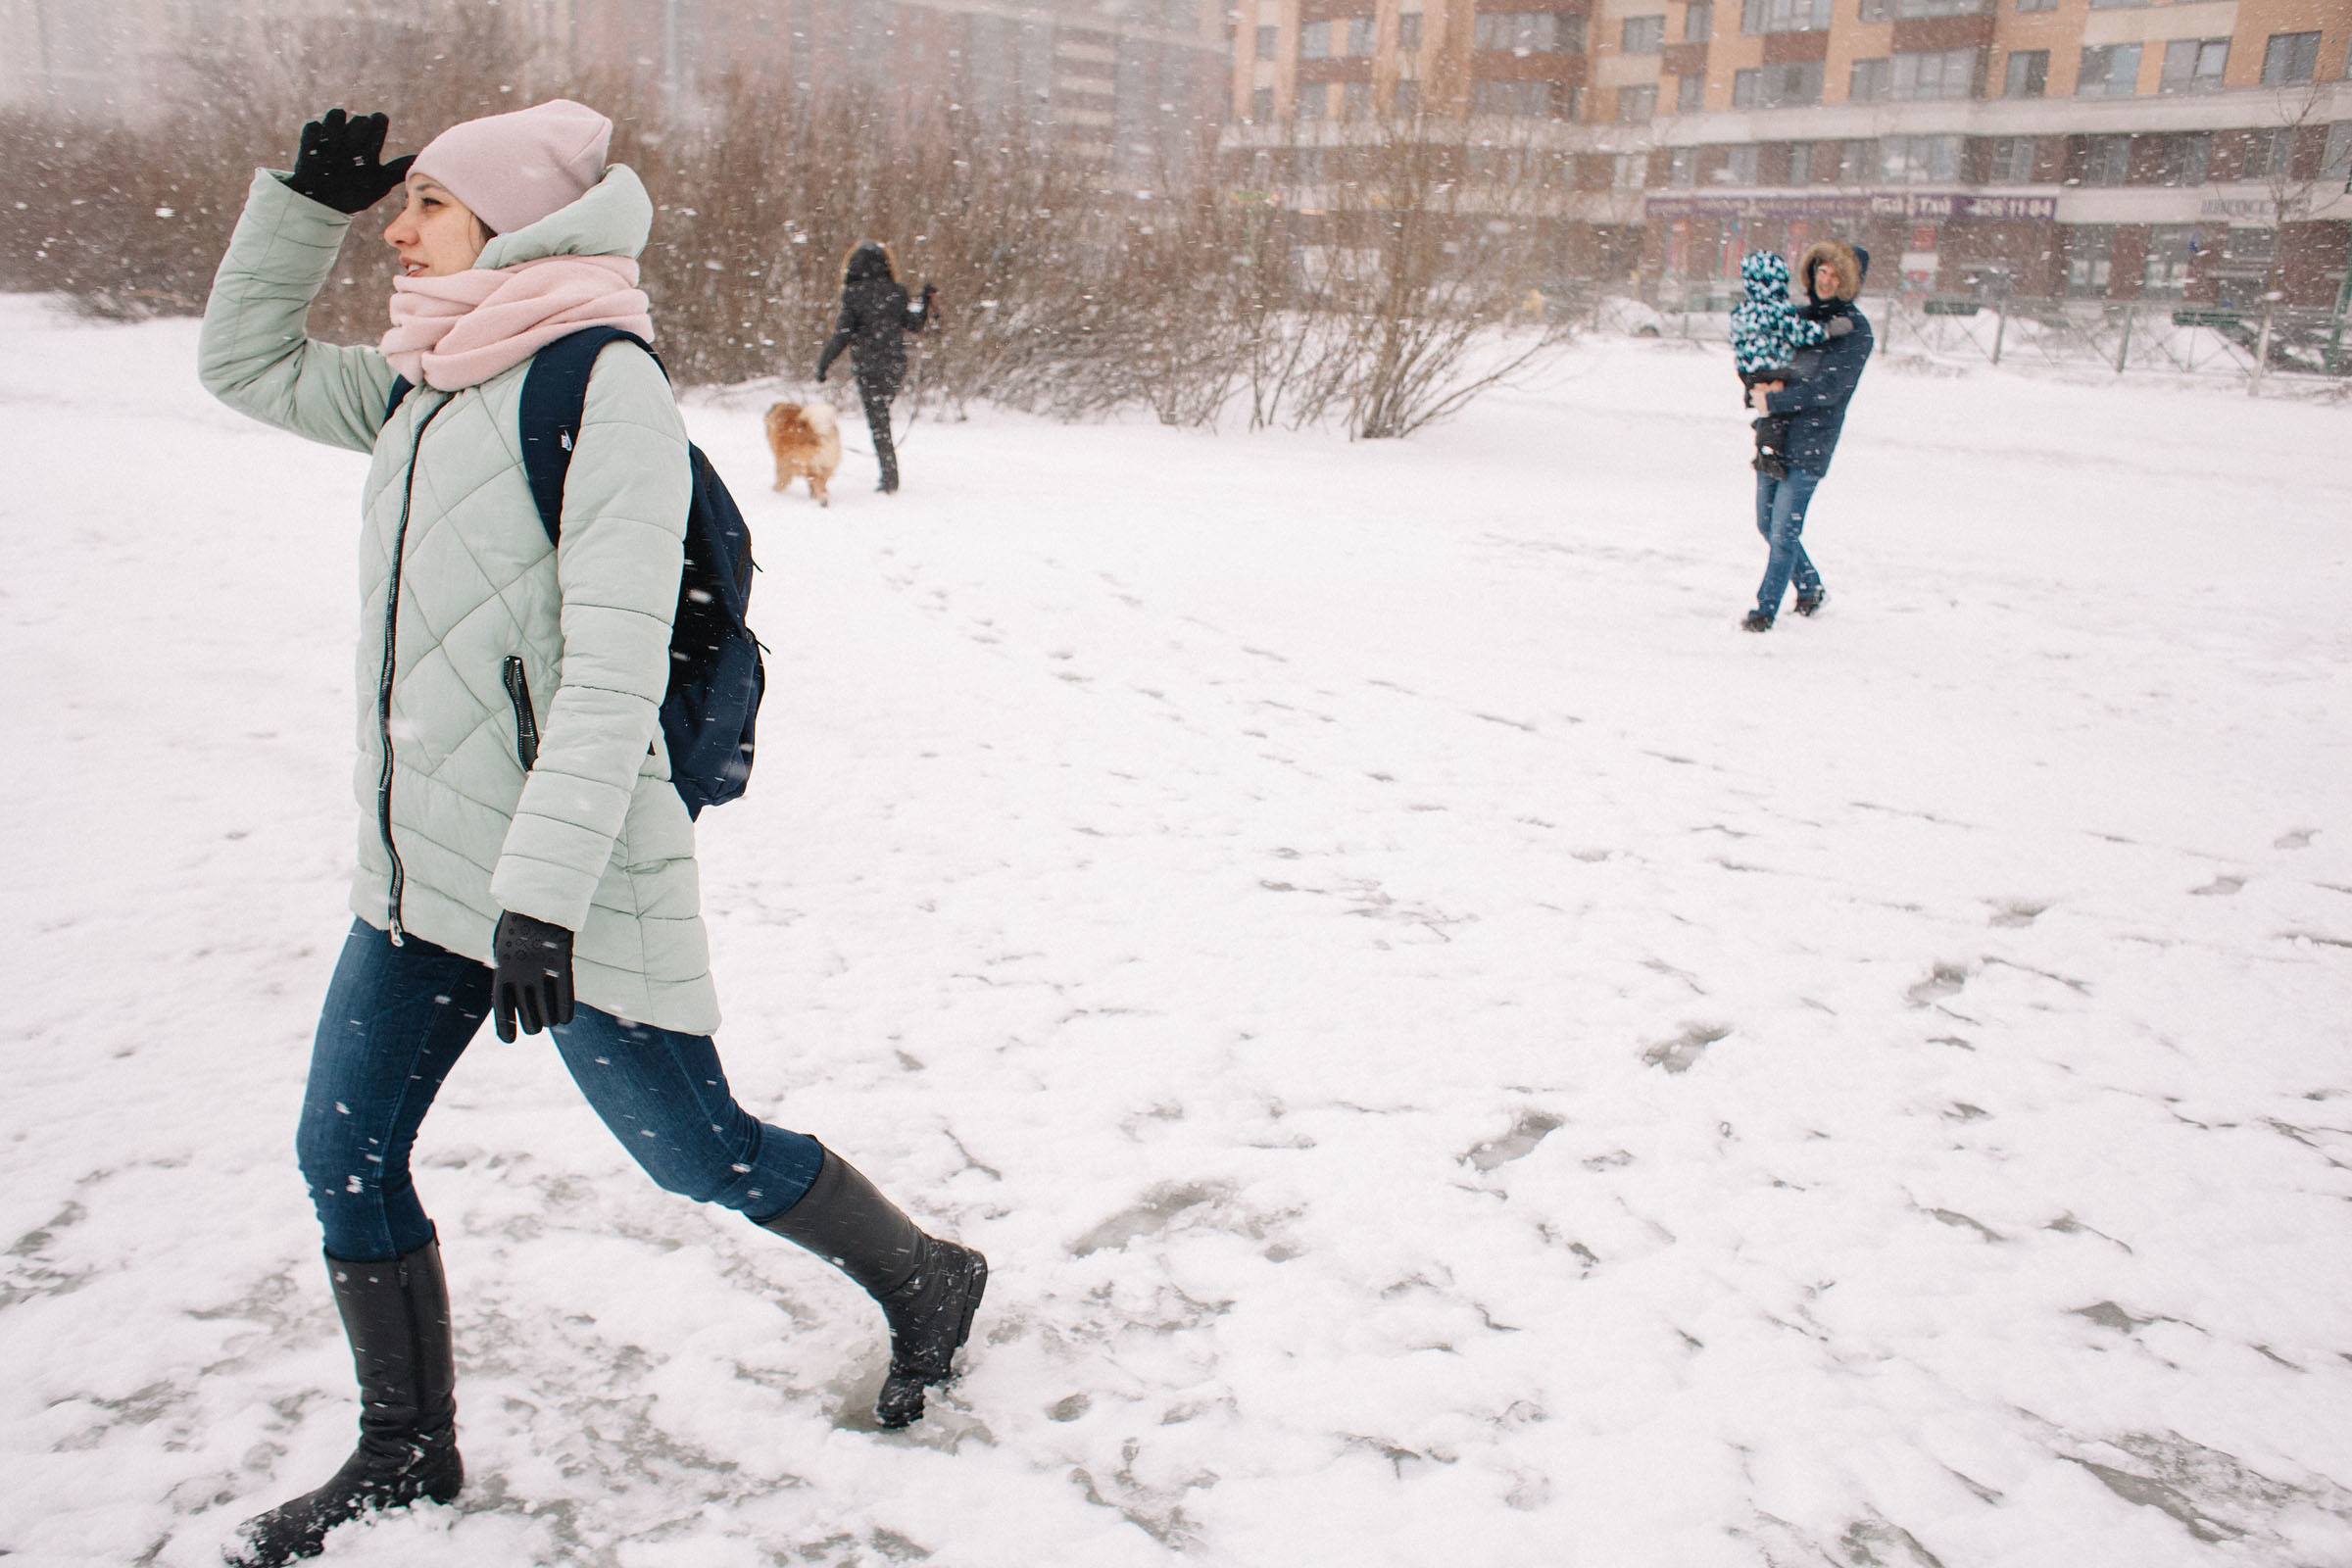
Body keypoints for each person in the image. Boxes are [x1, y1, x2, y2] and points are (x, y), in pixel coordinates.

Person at [197, 102, 987, 1566]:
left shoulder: (594, 383)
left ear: (514, 223)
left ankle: (928, 1276)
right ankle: (406, 1451)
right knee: (343, 1152)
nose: (400, 228)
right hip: (421, 868)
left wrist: (544, 897)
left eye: (427, 203)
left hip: (557, 876)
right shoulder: (429, 378)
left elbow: (613, 669)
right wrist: (295, 211)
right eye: (398, 205)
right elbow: (240, 365)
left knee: (698, 1155)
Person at [1740, 239, 1872, 632]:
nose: (1826, 280)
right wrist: (1758, 386)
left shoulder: (1854, 332)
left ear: (1848, 281)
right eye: (1821, 271)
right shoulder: (1797, 319)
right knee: (1767, 524)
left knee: (1784, 530)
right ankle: (1811, 586)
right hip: (1775, 436)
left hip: (1811, 442)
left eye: (1835, 274)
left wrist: (1776, 400)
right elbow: (1764, 362)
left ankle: (1764, 612)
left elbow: (1828, 391)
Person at [814, 240, 934, 494]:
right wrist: (925, 301)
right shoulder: (896, 292)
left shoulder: (853, 294)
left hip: (868, 367)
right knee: (881, 417)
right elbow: (914, 325)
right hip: (895, 365)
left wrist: (824, 365)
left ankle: (889, 478)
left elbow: (842, 336)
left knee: (878, 421)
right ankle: (889, 473)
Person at [1727, 249, 1838, 480]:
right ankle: (1767, 454)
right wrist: (1826, 330)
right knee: (1777, 410)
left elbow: (1735, 338)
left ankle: (1763, 429)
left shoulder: (1742, 310)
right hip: (1773, 367)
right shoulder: (1778, 310)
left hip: (1748, 369)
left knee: (1768, 408)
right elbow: (1798, 333)